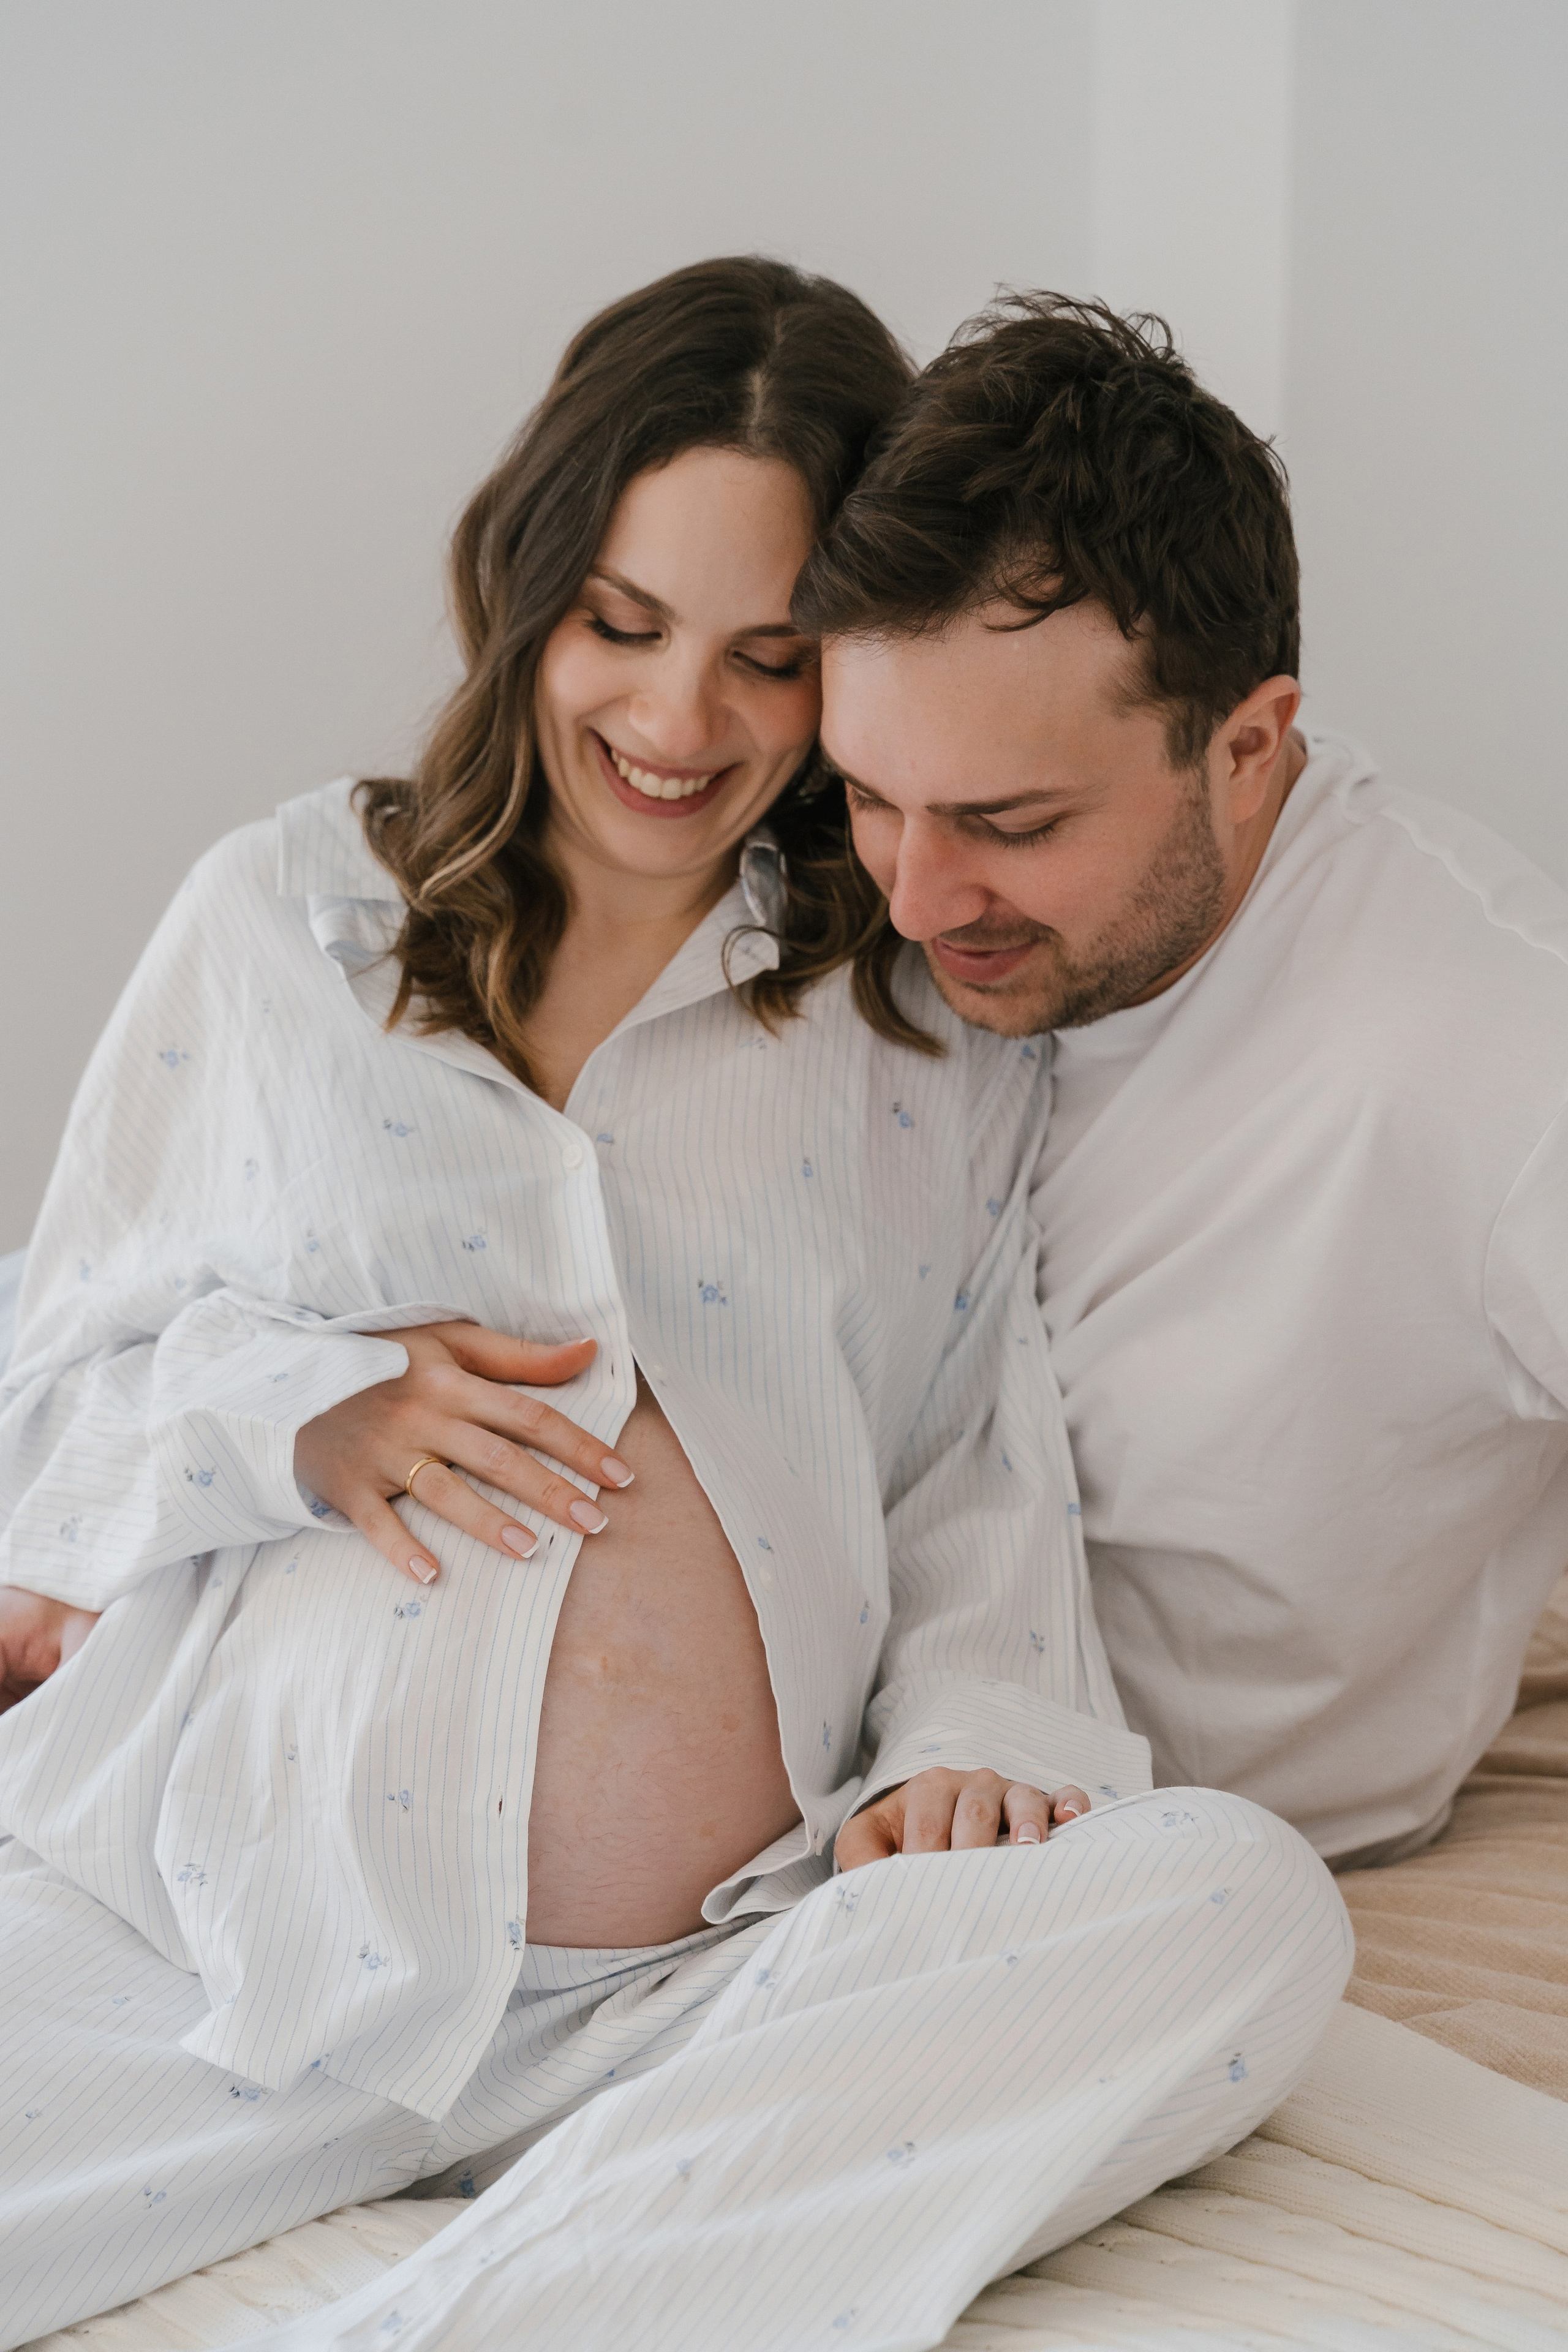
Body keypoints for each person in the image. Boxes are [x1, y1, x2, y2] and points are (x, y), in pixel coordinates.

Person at [0, 263, 1348, 2352]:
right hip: (224, 1951)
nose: (678, 720)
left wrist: (980, 1738)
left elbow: (966, 1454)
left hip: (699, 1994)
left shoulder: (913, 1029)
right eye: (621, 627)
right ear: (530, 584)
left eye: (770, 658)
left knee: (1243, 1904)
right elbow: (41, 1402)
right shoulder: (285, 922)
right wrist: (304, 1409)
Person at [795, 292, 1568, 1873]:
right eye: (874, 796)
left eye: (1012, 825)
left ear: (1250, 745)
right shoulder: (832, 903)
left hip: (1158, 1875)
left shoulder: (1492, 1052)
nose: (919, 901)